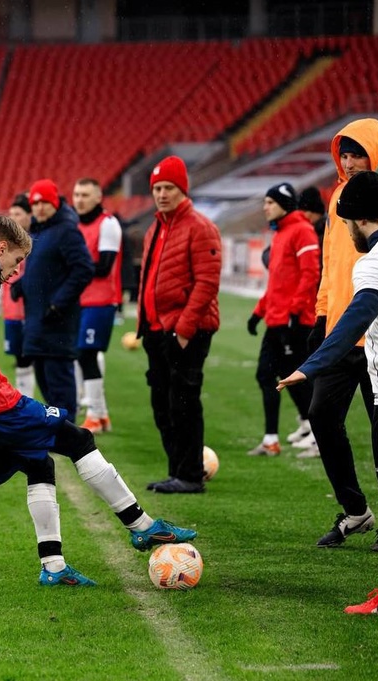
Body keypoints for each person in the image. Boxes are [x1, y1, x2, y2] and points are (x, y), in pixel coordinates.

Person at [0, 215, 197, 586]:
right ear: (0, 249)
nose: (14, 272)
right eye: (15, 262)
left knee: (39, 465)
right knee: (79, 439)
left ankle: (54, 567)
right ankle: (143, 526)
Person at [278, 170, 378, 610]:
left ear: (358, 220)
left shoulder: (375, 261)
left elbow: (354, 323)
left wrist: (310, 367)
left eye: (345, 224)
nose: (345, 232)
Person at [304, 118, 378, 548]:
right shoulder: (337, 197)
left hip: (377, 336)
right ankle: (356, 511)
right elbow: (329, 266)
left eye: (357, 153)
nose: (350, 161)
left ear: (375, 152)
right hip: (339, 333)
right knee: (320, 416)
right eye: (344, 153)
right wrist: (321, 318)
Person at [138, 156, 222, 494]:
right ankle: (177, 471)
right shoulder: (156, 227)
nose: (161, 194)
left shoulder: (200, 227)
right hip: (157, 330)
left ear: (182, 189)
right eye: (157, 188)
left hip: (187, 331)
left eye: (168, 188)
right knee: (162, 404)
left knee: (183, 403)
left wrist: (184, 330)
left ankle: (189, 475)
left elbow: (206, 283)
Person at [246, 183, 320, 457]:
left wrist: (294, 312)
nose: (264, 207)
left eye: (269, 202)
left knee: (299, 379)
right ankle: (271, 440)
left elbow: (310, 275)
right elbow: (277, 284)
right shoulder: (280, 234)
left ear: (284, 203)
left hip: (295, 322)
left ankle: (318, 435)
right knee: (268, 375)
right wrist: (258, 312)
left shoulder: (302, 230)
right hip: (277, 321)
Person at [13, 178, 93, 418]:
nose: (39, 207)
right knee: (46, 384)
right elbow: (43, 272)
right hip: (37, 321)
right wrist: (22, 286)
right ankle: (58, 434)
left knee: (60, 384)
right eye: (35, 203)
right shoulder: (39, 231)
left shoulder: (67, 230)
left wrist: (59, 302)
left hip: (57, 322)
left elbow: (84, 268)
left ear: (55, 203)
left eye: (45, 202)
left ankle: (70, 436)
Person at [72, 177, 123, 434]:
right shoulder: (74, 225)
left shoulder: (108, 224)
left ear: (98, 197)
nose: (79, 199)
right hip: (81, 300)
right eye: (77, 194)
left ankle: (93, 413)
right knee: (82, 355)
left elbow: (104, 266)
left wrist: (72, 269)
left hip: (101, 300)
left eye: (85, 195)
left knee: (86, 354)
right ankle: (101, 416)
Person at [5, 196, 33, 397]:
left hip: (31, 313)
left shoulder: (36, 244)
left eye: (18, 214)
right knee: (20, 360)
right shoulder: (4, 245)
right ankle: (24, 399)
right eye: (11, 214)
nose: (13, 218)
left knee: (36, 360)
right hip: (11, 312)